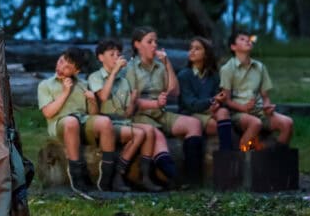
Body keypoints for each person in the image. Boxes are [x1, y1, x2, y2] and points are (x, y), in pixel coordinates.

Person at [37, 46, 129, 193]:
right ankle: (77, 175)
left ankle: (107, 175)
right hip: (61, 123)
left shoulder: (83, 85)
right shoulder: (46, 85)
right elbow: (48, 112)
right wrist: (66, 92)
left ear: (76, 71)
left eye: (68, 67)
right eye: (61, 62)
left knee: (105, 122)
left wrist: (92, 101)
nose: (61, 67)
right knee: (71, 122)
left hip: (82, 121)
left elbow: (93, 114)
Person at [125, 26, 205, 186]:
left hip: (161, 113)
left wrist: (167, 63)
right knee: (158, 136)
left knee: (194, 124)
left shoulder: (160, 66)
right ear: (137, 45)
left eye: (156, 41)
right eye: (149, 41)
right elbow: (131, 101)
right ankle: (176, 179)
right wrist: (154, 103)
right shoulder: (130, 69)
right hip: (141, 115)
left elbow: (174, 91)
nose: (154, 45)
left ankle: (193, 178)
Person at [86, 38, 162, 192]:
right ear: (101, 58)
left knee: (150, 130)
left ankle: (144, 176)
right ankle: (118, 176)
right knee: (139, 134)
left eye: (118, 54)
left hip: (122, 122)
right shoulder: (95, 77)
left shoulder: (124, 82)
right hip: (103, 124)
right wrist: (114, 71)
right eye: (112, 54)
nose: (117, 57)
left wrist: (134, 98)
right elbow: (103, 96)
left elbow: (127, 113)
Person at [220, 30, 294, 149]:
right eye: (242, 39)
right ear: (233, 47)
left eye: (248, 39)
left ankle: (276, 157)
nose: (248, 41)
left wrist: (267, 106)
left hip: (260, 112)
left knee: (287, 123)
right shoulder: (227, 69)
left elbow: (265, 96)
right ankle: (242, 156)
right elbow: (226, 100)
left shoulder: (260, 67)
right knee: (255, 123)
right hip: (238, 114)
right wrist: (243, 108)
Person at [177, 36, 234, 151]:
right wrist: (212, 101)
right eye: (191, 48)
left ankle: (227, 156)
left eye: (197, 49)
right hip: (190, 114)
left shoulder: (213, 76)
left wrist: (216, 104)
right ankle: (225, 155)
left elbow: (218, 99)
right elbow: (190, 104)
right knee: (218, 127)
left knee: (223, 111)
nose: (192, 51)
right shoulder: (184, 75)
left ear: (206, 54)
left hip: (208, 111)